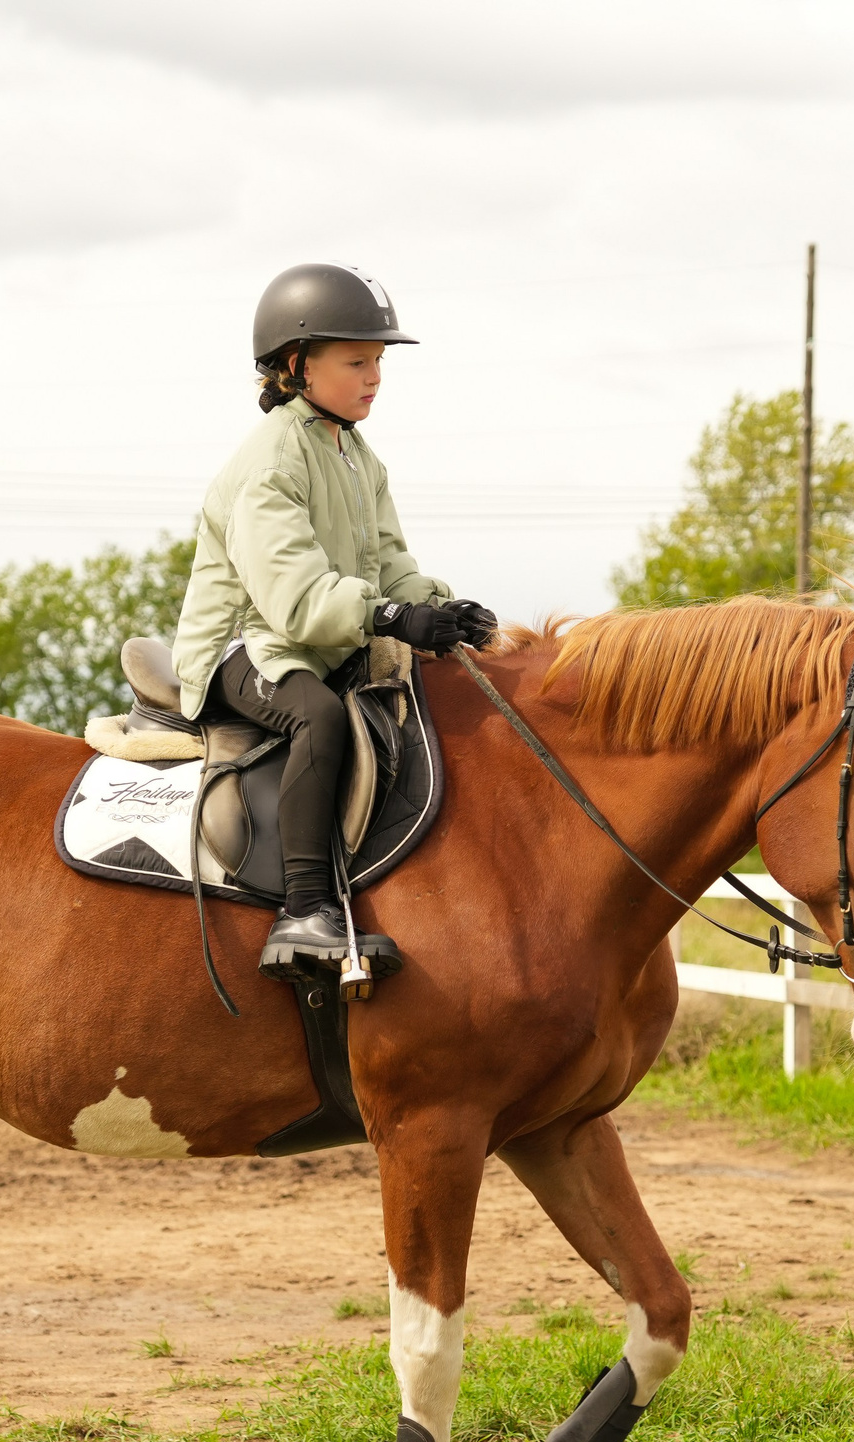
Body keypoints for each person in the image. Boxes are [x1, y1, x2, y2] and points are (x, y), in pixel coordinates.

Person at [170, 263, 496, 968]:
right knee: (318, 716)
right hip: (248, 649)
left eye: (379, 361)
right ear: (296, 365)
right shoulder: (269, 461)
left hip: (318, 641)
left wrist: (440, 608)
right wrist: (388, 615)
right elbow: (293, 600)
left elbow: (388, 563)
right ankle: (303, 912)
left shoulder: (356, 455)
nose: (375, 376)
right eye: (357, 361)